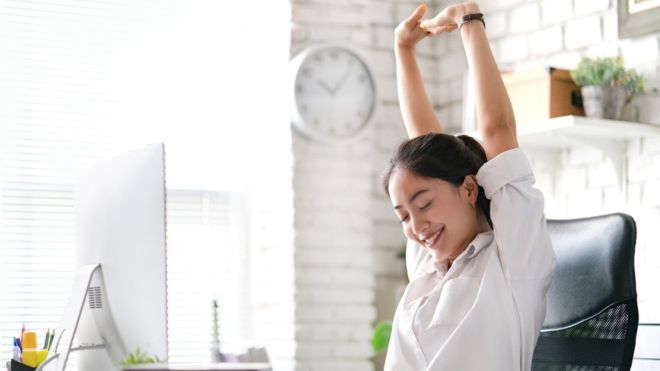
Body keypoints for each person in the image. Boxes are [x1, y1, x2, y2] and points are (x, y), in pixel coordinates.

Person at [382, 2, 556, 370]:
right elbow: (425, 148)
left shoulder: (512, 260)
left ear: (469, 189)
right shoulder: (429, 266)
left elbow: (497, 129)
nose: (416, 228)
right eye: (404, 216)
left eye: (424, 204)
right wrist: (404, 48)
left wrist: (469, 20)